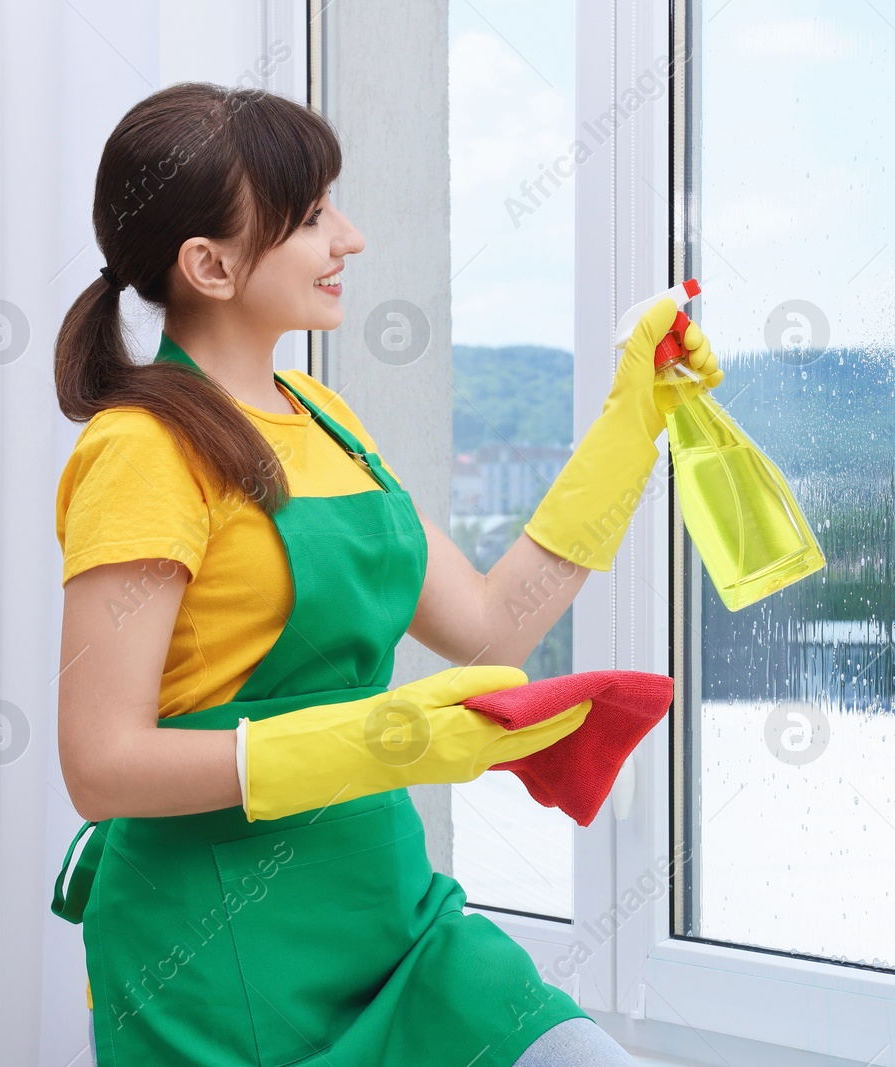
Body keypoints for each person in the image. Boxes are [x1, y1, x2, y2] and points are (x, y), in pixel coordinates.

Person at [49, 82, 723, 1066]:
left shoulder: (325, 415)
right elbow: (98, 763)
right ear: (211, 263)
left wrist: (633, 417)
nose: (348, 238)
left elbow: (493, 631)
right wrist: (380, 736)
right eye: (313, 215)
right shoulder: (141, 451)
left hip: (394, 919)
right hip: (220, 953)